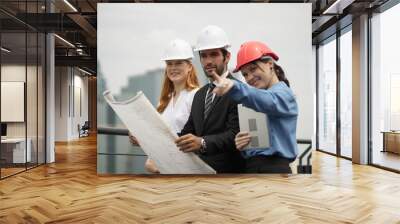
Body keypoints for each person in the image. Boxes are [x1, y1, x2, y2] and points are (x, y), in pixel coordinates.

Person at [211, 41, 298, 173]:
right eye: (245, 74)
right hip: (253, 167)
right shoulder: (256, 100)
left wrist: (234, 86)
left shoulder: (283, 95)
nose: (250, 77)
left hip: (274, 170)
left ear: (270, 64)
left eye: (253, 69)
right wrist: (243, 144)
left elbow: (268, 101)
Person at [174, 25, 245, 173]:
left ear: (227, 57)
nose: (208, 61)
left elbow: (236, 134)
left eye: (214, 55)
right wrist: (148, 138)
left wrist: (202, 143)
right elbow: (187, 132)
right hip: (200, 173)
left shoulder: (239, 90)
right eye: (204, 56)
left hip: (229, 175)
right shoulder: (199, 95)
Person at [129, 39, 200, 173]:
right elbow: (160, 134)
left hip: (185, 168)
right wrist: (142, 137)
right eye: (169, 63)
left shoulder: (195, 96)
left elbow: (195, 136)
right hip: (163, 167)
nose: (173, 68)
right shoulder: (165, 100)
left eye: (178, 63)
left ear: (189, 66)